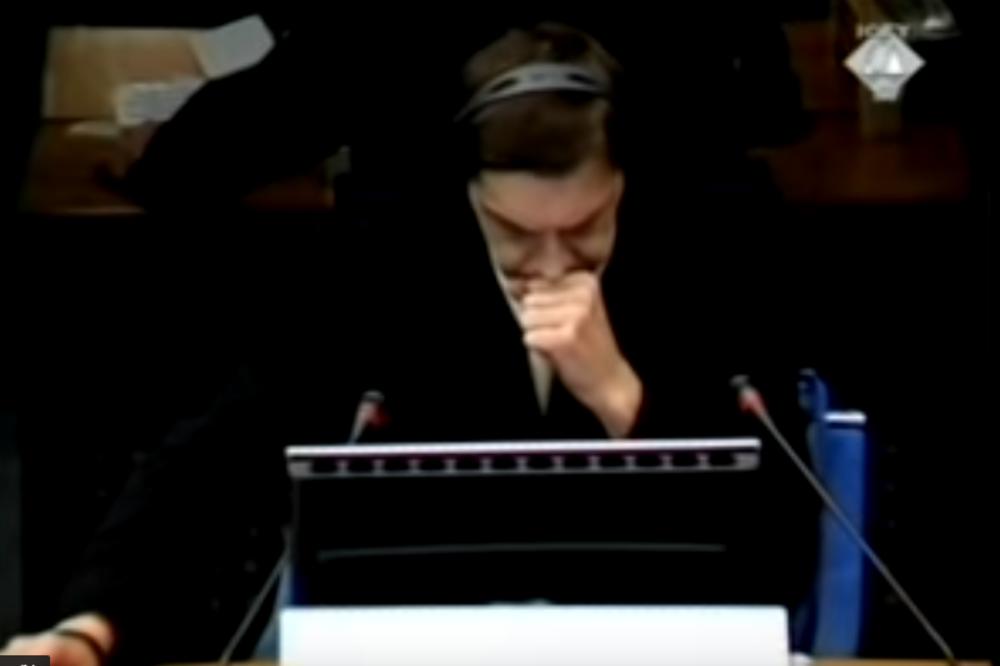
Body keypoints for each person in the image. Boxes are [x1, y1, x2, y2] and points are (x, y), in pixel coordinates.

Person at [4, 23, 815, 665]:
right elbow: (209, 463)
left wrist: (623, 400)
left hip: (651, 640)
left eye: (585, 230)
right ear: (471, 196)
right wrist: (89, 624)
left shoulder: (706, 276)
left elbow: (787, 547)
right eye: (515, 234)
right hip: (412, 638)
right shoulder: (384, 271)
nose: (550, 266)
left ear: (623, 187)